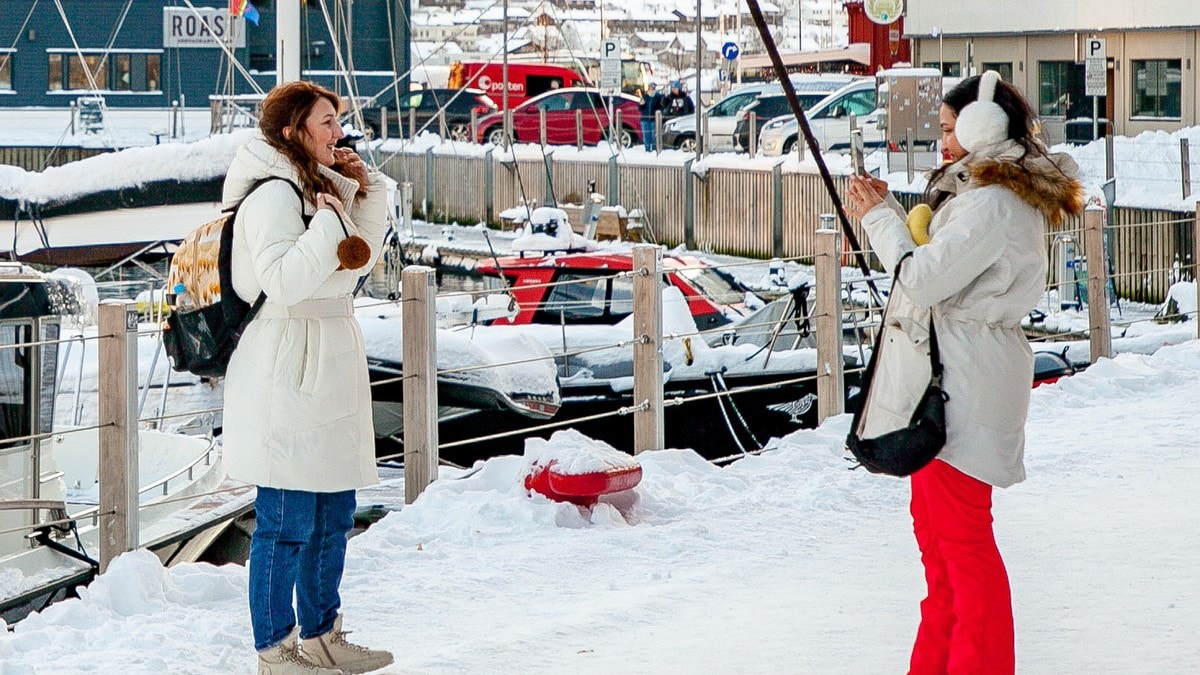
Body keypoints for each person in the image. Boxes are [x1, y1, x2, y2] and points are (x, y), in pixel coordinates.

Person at [844, 71, 1084, 674]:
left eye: (951, 131)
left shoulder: (992, 204)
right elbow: (933, 268)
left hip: (961, 390)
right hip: (954, 382)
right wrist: (894, 215)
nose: (944, 143)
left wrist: (879, 219)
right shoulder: (984, 197)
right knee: (944, 558)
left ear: (984, 129)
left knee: (961, 552)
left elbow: (922, 280)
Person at [221, 80, 394, 675]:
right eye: (326, 122)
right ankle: (275, 650)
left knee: (332, 515)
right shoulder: (271, 196)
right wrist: (327, 221)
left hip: (329, 358)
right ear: (294, 130)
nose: (338, 133)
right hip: (285, 362)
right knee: (286, 521)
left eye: (337, 121)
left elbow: (357, 261)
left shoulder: (317, 187)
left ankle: (322, 636)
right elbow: (286, 283)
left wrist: (361, 191)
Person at [635, 82, 661, 151]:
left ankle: (654, 149)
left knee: (653, 135)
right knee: (646, 135)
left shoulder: (657, 97)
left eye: (653, 87)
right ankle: (647, 149)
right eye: (651, 87)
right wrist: (641, 104)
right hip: (645, 119)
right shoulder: (645, 97)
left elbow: (660, 107)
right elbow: (640, 108)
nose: (652, 89)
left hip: (653, 119)